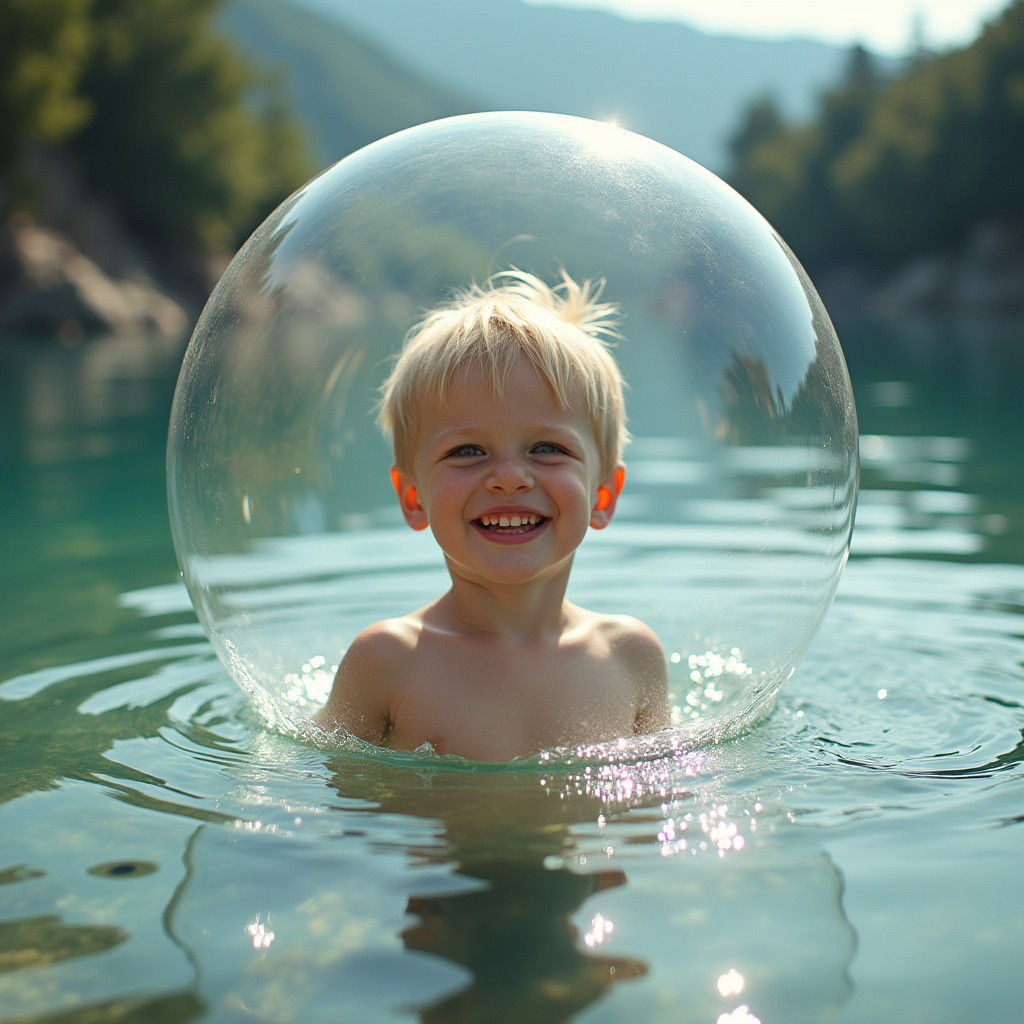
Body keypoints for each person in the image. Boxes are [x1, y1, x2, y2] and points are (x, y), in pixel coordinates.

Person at [315, 269, 669, 759]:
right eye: (466, 451)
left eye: (547, 448)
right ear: (414, 498)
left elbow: (657, 812)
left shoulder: (631, 657)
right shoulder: (388, 661)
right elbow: (326, 804)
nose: (508, 477)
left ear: (604, 495)